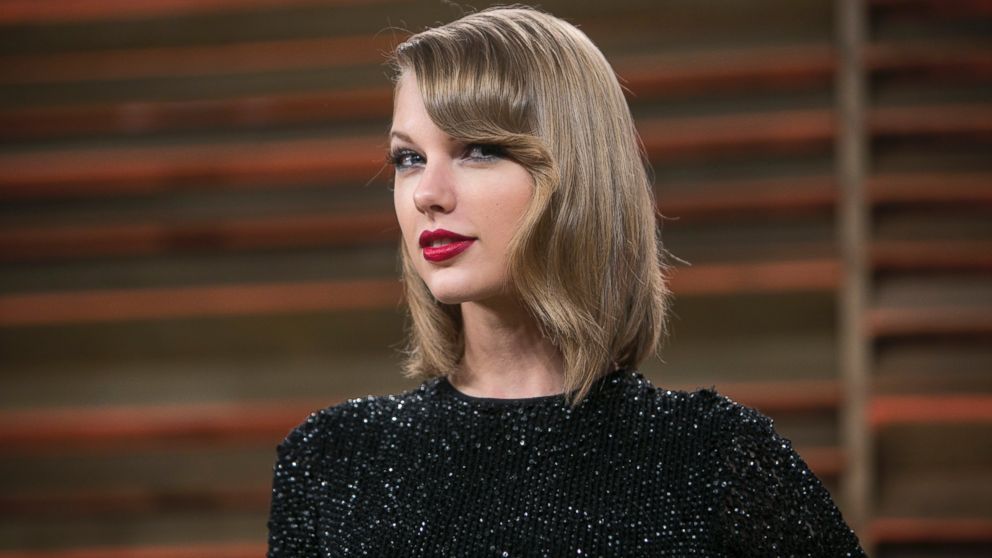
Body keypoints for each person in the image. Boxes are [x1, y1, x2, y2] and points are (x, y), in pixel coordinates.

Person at [266, 6, 867, 557]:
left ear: (576, 172)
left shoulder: (715, 459)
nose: (427, 193)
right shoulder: (330, 462)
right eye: (409, 158)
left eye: (478, 149)